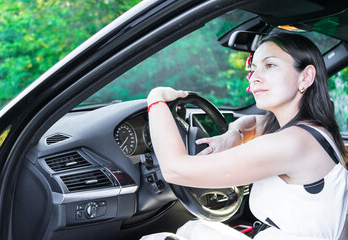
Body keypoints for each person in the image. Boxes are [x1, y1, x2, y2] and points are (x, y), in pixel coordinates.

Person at [142, 32, 348, 239]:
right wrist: (234, 135)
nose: (255, 77)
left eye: (270, 65)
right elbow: (254, 122)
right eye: (253, 68)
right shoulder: (313, 130)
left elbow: (174, 169)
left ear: (306, 76)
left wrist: (156, 100)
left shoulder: (292, 142)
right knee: (191, 228)